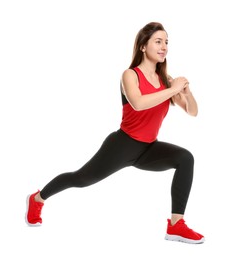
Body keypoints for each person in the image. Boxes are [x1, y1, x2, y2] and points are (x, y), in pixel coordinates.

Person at [26, 22, 205, 244]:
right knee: (81, 179)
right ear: (143, 46)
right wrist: (173, 89)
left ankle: (176, 224)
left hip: (148, 148)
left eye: (166, 42)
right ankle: (37, 199)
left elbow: (193, 111)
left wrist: (187, 92)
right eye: (158, 41)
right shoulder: (130, 75)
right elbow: (138, 103)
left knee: (185, 158)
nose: (164, 47)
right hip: (122, 145)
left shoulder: (166, 80)